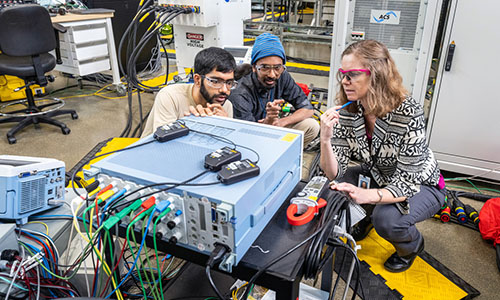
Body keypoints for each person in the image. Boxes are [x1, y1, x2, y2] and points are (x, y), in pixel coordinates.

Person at [319, 40, 446, 273]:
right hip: (381, 174)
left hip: (421, 184)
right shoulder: (349, 110)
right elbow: (333, 172)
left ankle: (411, 246)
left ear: (376, 74)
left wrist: (365, 194)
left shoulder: (409, 112)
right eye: (342, 74)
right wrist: (325, 139)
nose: (345, 81)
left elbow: (407, 184)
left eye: (353, 75)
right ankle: (366, 215)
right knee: (334, 184)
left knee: (387, 220)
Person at [228, 33, 319, 146]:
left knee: (311, 126)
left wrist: (280, 122)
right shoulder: (240, 92)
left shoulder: (282, 76)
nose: (272, 74)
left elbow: (308, 109)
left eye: (277, 67)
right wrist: (267, 125)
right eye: (265, 67)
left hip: (272, 128)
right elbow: (246, 134)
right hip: (249, 138)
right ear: (254, 68)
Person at [141, 47, 237, 138]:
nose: (224, 90)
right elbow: (165, 145)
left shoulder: (225, 105)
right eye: (215, 82)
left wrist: (225, 126)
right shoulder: (170, 96)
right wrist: (197, 124)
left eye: (229, 83)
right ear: (197, 80)